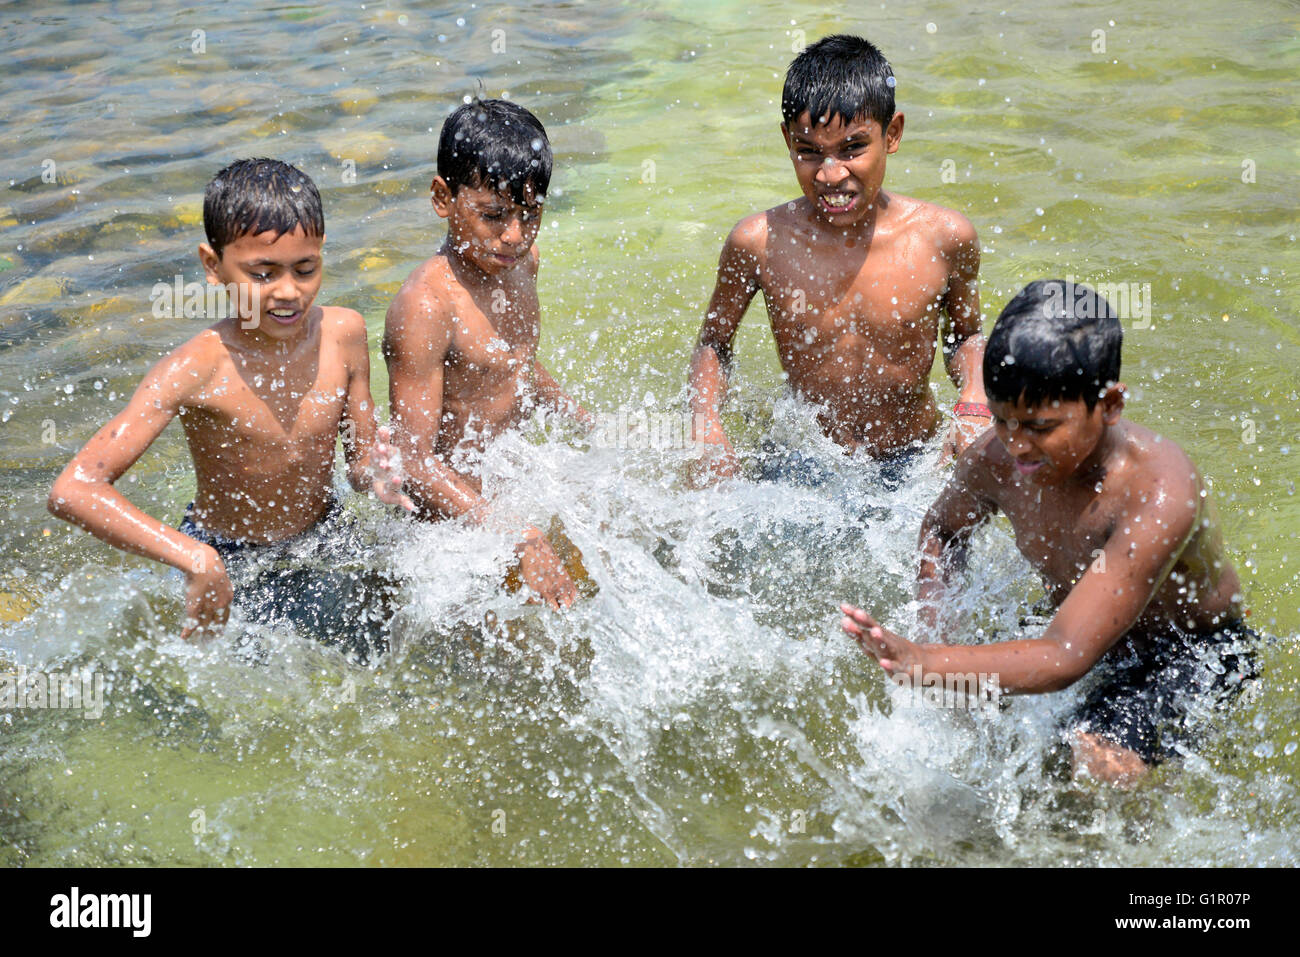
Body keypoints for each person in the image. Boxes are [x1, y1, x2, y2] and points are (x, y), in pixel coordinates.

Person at [841, 280, 1261, 786]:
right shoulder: (996, 462)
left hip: (1191, 651)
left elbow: (1064, 655)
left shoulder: (1158, 492)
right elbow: (942, 528)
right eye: (1001, 420)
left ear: (1109, 406)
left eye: (1040, 427)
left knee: (1094, 761)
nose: (1017, 446)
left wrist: (926, 661)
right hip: (1080, 628)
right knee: (995, 731)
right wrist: (938, 627)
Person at [48, 158, 410, 658]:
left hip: (326, 535)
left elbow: (359, 463)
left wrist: (379, 474)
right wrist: (195, 558)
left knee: (390, 648)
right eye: (263, 273)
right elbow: (74, 489)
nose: (289, 291)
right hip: (234, 560)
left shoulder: (344, 334)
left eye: (306, 269)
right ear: (213, 266)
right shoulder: (197, 367)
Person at [689, 34, 990, 486]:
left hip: (915, 457)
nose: (831, 174)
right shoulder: (758, 242)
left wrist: (974, 403)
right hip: (802, 457)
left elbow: (965, 338)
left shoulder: (944, 238)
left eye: (852, 148)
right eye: (809, 152)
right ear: (787, 141)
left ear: (892, 135)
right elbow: (713, 344)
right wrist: (705, 423)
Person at [383, 98, 592, 611]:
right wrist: (515, 536)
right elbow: (413, 462)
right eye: (493, 216)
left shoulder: (522, 265)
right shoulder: (425, 308)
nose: (514, 236)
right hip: (448, 533)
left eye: (530, 214)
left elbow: (514, 363)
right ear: (442, 198)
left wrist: (585, 420)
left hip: (509, 496)